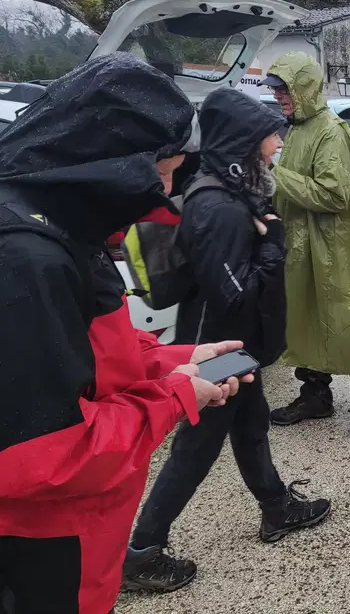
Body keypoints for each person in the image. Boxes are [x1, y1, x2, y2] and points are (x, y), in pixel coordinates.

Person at [0, 54, 246, 614]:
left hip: (79, 533)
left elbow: (80, 350)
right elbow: (43, 457)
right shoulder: (26, 257)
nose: (162, 190)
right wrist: (177, 394)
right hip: (43, 544)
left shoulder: (61, 223)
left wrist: (173, 359)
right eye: (162, 171)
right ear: (109, 161)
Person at [123, 89, 332, 592]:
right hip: (216, 344)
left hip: (235, 344)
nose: (277, 144)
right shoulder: (217, 206)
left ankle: (276, 507)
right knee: (198, 445)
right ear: (241, 143)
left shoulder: (233, 192)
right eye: (268, 138)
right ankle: (141, 551)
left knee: (252, 421)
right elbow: (232, 296)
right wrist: (274, 246)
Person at [263, 53, 350, 437]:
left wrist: (272, 174)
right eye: (276, 90)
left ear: (303, 87)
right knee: (305, 318)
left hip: (336, 249)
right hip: (302, 247)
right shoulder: (298, 129)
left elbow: (334, 195)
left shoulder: (330, 131)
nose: (279, 96)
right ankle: (315, 395)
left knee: (348, 321)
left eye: (284, 88)